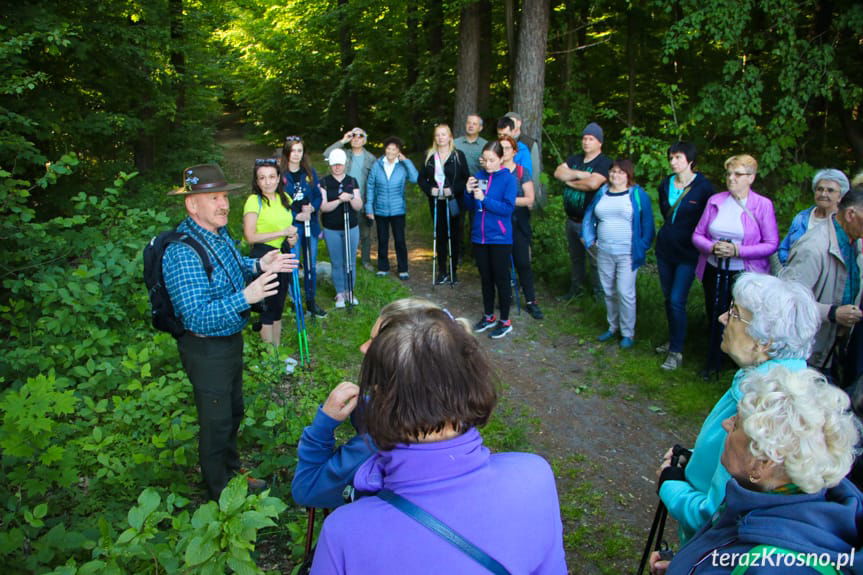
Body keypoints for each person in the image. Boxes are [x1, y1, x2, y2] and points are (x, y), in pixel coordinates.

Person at [309, 308, 567, 574]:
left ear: (377, 399)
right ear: (474, 381)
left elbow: (306, 488)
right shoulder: (535, 476)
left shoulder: (344, 533)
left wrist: (323, 427)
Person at [162, 164, 298, 500]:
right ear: (192, 204)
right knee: (216, 422)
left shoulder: (216, 234)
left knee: (233, 411)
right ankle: (221, 493)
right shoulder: (181, 251)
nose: (224, 204)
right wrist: (247, 297)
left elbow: (232, 263)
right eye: (214, 198)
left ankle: (232, 471)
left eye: (224, 196)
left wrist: (259, 265)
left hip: (229, 340)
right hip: (205, 348)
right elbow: (195, 317)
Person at [655, 273, 819, 544]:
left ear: (763, 342)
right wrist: (693, 460)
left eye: (733, 313)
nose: (722, 318)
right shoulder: (769, 383)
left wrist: (670, 483)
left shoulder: (763, 410)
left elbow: (716, 516)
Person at [650, 367, 862, 574]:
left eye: (737, 424)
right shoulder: (783, 499)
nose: (726, 423)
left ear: (762, 463)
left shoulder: (769, 566)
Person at [291, 298, 471, 510]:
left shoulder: (373, 449)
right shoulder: (456, 409)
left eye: (375, 343)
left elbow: (306, 489)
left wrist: (324, 424)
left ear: (400, 366)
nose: (363, 348)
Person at [692, 154, 778, 373]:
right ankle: (714, 359)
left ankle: (739, 361)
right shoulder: (715, 201)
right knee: (715, 311)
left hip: (745, 274)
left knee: (741, 319)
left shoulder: (762, 205)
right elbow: (698, 235)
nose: (731, 178)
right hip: (714, 268)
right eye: (729, 174)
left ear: (751, 178)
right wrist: (712, 247)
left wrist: (738, 250)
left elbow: (771, 244)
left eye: (738, 174)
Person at [780, 187, 863, 381]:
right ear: (851, 214)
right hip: (808, 352)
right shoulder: (813, 246)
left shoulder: (855, 241)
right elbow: (786, 301)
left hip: (835, 346)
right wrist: (833, 313)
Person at [654, 142, 715, 370]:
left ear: (690, 160)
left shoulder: (704, 188)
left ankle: (676, 352)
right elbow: (666, 214)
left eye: (678, 157)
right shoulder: (665, 184)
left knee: (678, 300)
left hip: (689, 253)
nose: (673, 162)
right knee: (669, 299)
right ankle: (674, 339)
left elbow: (708, 219)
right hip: (665, 249)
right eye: (670, 157)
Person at [582, 159, 655, 349]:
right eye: (613, 171)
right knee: (608, 291)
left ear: (629, 175)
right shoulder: (602, 192)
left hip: (627, 253)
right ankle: (612, 326)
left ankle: (627, 333)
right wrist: (589, 237)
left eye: (621, 172)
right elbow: (590, 215)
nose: (616, 175)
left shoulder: (638, 195)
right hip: (604, 251)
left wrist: (643, 245)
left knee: (625, 292)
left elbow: (648, 224)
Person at [242, 158, 298, 348]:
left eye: (272, 177)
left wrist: (292, 238)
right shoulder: (254, 201)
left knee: (278, 305)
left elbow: (290, 228)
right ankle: (269, 357)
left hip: (283, 253)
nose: (268, 182)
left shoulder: (286, 199)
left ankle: (277, 353)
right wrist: (282, 233)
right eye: (262, 178)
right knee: (267, 305)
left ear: (279, 178)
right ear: (256, 181)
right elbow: (250, 236)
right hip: (263, 255)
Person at [553, 122, 612, 300]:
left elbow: (593, 184)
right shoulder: (575, 159)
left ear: (599, 142)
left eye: (591, 139)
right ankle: (575, 290)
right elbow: (558, 172)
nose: (586, 142)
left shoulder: (605, 162)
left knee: (595, 259)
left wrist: (571, 180)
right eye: (584, 138)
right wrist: (583, 175)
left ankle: (599, 296)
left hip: (590, 222)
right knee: (576, 258)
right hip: (571, 219)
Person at [465, 141, 518, 339]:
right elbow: (470, 205)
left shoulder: (508, 179)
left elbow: (507, 208)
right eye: (484, 160)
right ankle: (488, 316)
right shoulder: (479, 176)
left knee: (501, 279)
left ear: (501, 158)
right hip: (480, 236)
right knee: (485, 278)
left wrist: (485, 198)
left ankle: (505, 320)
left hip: (500, 237)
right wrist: (468, 192)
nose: (487, 164)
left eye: (491, 160)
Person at [281, 135, 327, 319]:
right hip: (293, 226)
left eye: (299, 150)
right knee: (293, 264)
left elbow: (317, 195)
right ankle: (295, 301)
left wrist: (313, 208)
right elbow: (280, 201)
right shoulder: (281, 174)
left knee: (310, 265)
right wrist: (295, 215)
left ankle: (310, 300)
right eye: (293, 150)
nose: (296, 154)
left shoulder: (309, 172)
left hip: (310, 224)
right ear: (287, 152)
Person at [417, 124, 469, 285]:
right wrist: (429, 190)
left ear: (450, 137)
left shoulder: (458, 155)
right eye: (438, 135)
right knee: (439, 236)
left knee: (454, 235)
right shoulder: (429, 155)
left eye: (444, 134)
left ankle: (453, 271)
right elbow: (421, 179)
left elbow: (465, 178)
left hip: (454, 202)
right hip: (436, 202)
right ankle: (442, 271)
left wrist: (452, 190)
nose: (441, 138)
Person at [500, 135, 544, 320]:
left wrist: (507, 201)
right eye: (500, 148)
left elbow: (529, 199)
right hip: (499, 224)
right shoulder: (493, 171)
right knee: (501, 264)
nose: (504, 152)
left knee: (523, 263)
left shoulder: (521, 172)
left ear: (514, 151)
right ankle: (505, 296)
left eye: (507, 148)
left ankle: (531, 301)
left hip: (519, 223)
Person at [365, 136, 418, 280]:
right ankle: (383, 267)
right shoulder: (377, 164)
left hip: (398, 210)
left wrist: (406, 160)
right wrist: (369, 208)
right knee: (382, 239)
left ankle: (403, 269)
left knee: (400, 240)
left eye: (394, 149)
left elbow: (414, 178)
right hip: (380, 209)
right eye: (388, 148)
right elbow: (370, 186)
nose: (390, 151)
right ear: (385, 149)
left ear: (398, 151)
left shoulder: (402, 165)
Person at [325, 128, 376, 271]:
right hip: (342, 199)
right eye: (353, 135)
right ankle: (343, 260)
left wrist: (371, 204)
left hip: (362, 199)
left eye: (360, 136)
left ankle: (366, 261)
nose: (356, 138)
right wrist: (343, 140)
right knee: (344, 230)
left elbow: (374, 181)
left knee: (365, 232)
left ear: (364, 140)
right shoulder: (343, 154)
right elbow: (327, 154)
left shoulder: (371, 158)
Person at [777, 169, 850, 265]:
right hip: (796, 275)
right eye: (820, 189)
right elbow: (784, 248)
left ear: (840, 196)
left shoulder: (845, 223)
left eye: (830, 190)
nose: (823, 194)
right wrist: (791, 266)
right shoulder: (802, 218)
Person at [320, 148, 363, 308]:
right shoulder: (324, 182)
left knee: (349, 261)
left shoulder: (352, 181)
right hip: (331, 228)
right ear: (330, 165)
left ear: (344, 164)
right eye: (334, 165)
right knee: (336, 261)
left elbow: (358, 205)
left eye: (340, 164)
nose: (337, 167)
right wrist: (339, 200)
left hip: (350, 227)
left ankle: (349, 291)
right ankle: (339, 293)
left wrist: (350, 197)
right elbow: (323, 207)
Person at [504, 111, 543, 202]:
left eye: (512, 122)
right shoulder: (500, 142)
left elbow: (535, 171)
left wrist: (533, 194)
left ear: (519, 123)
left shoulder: (529, 143)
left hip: (522, 191)